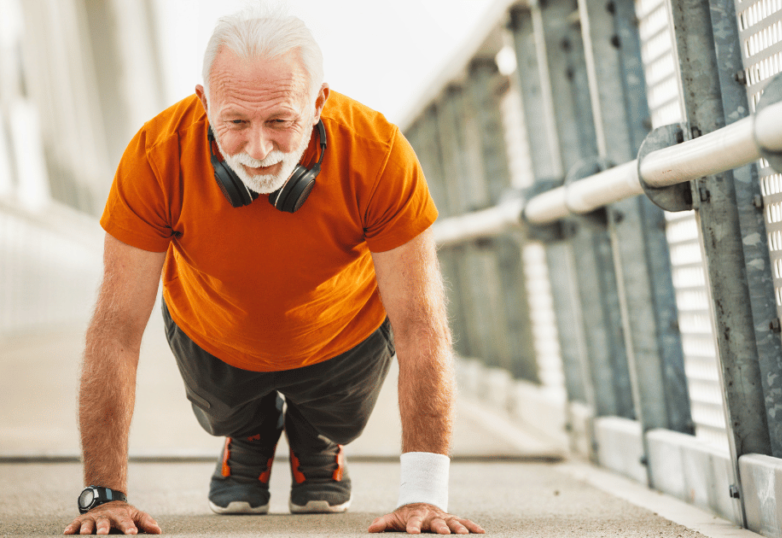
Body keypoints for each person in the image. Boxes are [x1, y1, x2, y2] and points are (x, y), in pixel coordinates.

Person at [63, 6, 484, 536]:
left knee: (339, 418)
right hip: (212, 332)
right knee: (230, 413)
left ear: (319, 104)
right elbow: (116, 329)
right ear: (203, 103)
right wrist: (103, 496)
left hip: (342, 336)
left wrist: (424, 496)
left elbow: (422, 325)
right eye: (235, 122)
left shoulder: (379, 156)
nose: (258, 151)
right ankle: (248, 432)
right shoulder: (155, 156)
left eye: (281, 121)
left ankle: (317, 434)